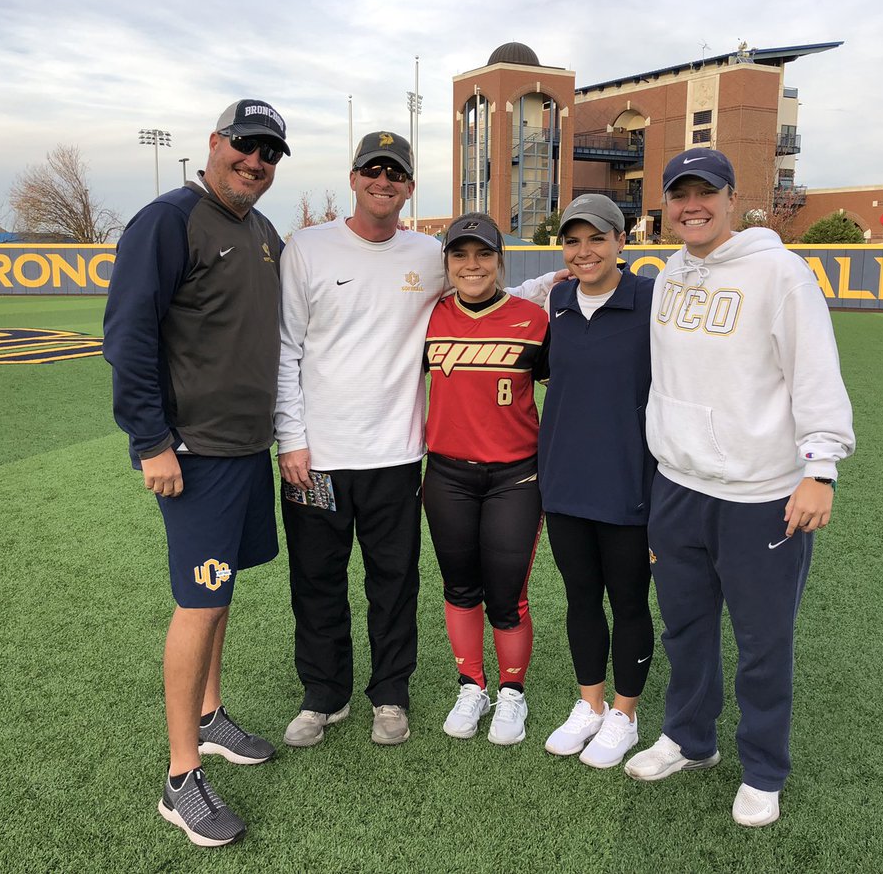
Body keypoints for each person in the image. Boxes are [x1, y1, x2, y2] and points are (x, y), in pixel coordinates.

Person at [275, 132, 560, 749]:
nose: (384, 181)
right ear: (353, 178)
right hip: (315, 460)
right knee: (316, 578)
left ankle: (389, 695)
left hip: (399, 457)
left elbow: (481, 293)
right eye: (372, 170)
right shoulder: (306, 248)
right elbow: (284, 349)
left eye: (396, 173)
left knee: (394, 580)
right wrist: (290, 440)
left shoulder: (426, 253)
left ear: (408, 187)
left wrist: (542, 293)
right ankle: (324, 696)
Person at [624, 148, 855, 827]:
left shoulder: (779, 271)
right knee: (686, 629)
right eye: (679, 194)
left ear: (731, 199)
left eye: (705, 193)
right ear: (665, 203)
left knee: (762, 641)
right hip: (679, 486)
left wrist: (819, 469)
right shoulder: (669, 272)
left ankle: (763, 769)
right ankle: (691, 740)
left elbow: (814, 369)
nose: (691, 205)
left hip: (760, 493)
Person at [103, 99, 291, 847]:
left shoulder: (264, 231)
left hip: (248, 449)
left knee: (222, 593)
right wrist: (151, 442)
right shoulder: (167, 220)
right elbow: (127, 338)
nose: (255, 161)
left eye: (269, 152)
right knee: (198, 599)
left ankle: (210, 717)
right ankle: (182, 779)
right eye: (245, 145)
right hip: (195, 453)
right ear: (214, 143)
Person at [538, 194, 657, 770]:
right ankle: (588, 704)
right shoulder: (558, 299)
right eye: (573, 241)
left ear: (620, 243)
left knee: (629, 601)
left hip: (628, 483)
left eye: (596, 239)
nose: (584, 252)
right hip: (564, 482)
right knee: (580, 598)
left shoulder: (650, 302)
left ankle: (624, 715)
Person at [422, 212, 549, 745]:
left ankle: (512, 693)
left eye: (482, 254)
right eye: (460, 255)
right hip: (447, 474)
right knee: (459, 586)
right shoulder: (427, 317)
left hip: (515, 477)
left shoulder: (533, 319)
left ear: (500, 259)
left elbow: (566, 390)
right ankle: (471, 684)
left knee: (507, 595)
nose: (471, 265)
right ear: (447, 262)